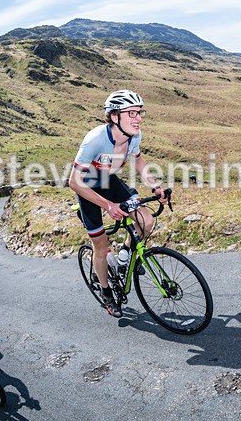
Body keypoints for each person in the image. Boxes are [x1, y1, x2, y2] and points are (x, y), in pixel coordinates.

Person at [68, 89, 167, 317]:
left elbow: (138, 160)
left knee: (147, 221)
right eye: (131, 113)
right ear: (114, 117)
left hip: (110, 181)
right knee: (101, 248)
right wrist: (108, 206)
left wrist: (155, 187)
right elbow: (74, 182)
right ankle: (105, 292)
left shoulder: (134, 136)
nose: (138, 118)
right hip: (88, 188)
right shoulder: (96, 138)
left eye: (140, 112)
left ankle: (125, 255)